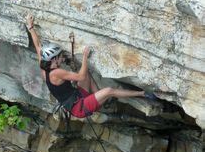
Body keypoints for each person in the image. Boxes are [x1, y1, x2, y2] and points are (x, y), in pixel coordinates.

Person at [26, 14, 154, 118]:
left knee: (88, 75)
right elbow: (80, 77)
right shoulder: (57, 73)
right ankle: (142, 94)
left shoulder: (45, 67)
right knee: (109, 90)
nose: (61, 57)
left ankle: (100, 98)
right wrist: (85, 57)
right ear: (53, 59)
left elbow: (38, 47)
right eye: (59, 56)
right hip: (80, 108)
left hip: (78, 97)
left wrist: (31, 27)